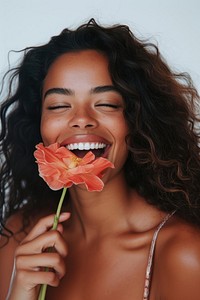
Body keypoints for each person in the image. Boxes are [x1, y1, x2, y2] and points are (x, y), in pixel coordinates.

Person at [0, 18, 200, 300]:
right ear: (39, 123)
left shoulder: (184, 254)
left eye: (106, 103)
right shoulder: (19, 237)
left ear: (137, 120)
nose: (82, 120)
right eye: (58, 106)